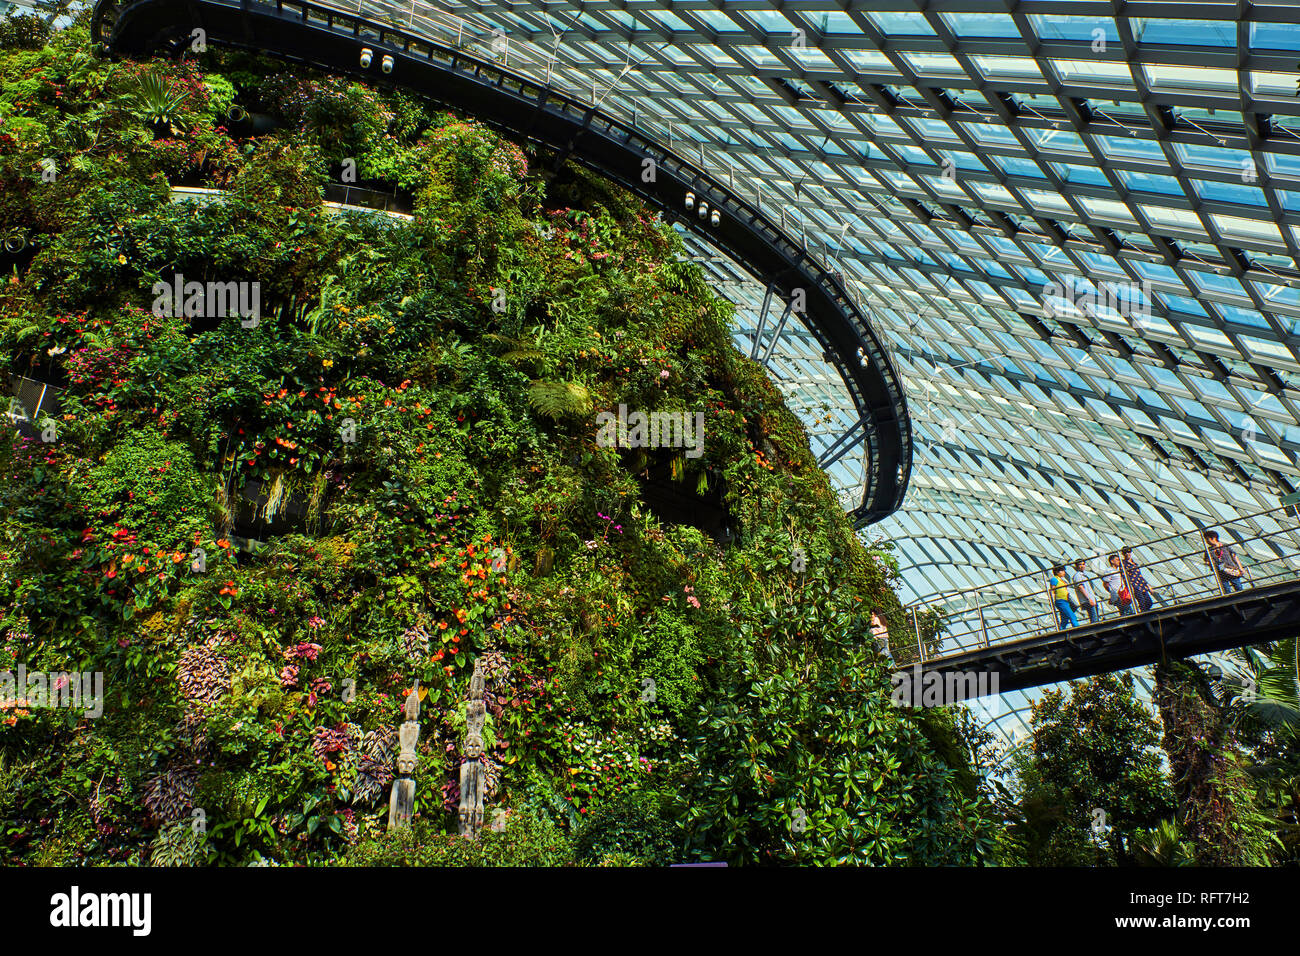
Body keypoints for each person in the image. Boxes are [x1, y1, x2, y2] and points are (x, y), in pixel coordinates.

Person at [1120, 547, 1154, 613]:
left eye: (1128, 552)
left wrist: (1147, 585)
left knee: (1149, 602)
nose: (1127, 554)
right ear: (1123, 554)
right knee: (1142, 602)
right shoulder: (1123, 564)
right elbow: (1124, 577)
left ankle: (1146, 613)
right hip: (1134, 585)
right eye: (1125, 553)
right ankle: (1145, 615)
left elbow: (1139, 575)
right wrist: (1129, 586)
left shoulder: (1134, 563)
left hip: (1141, 585)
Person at [1071, 558, 1100, 623]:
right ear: (1076, 566)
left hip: (1089, 599)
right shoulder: (1078, 575)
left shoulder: (1083, 575)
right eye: (1080, 564)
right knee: (1094, 618)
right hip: (1087, 600)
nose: (1082, 566)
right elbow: (1081, 587)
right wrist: (1089, 598)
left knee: (1094, 617)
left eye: (1083, 564)